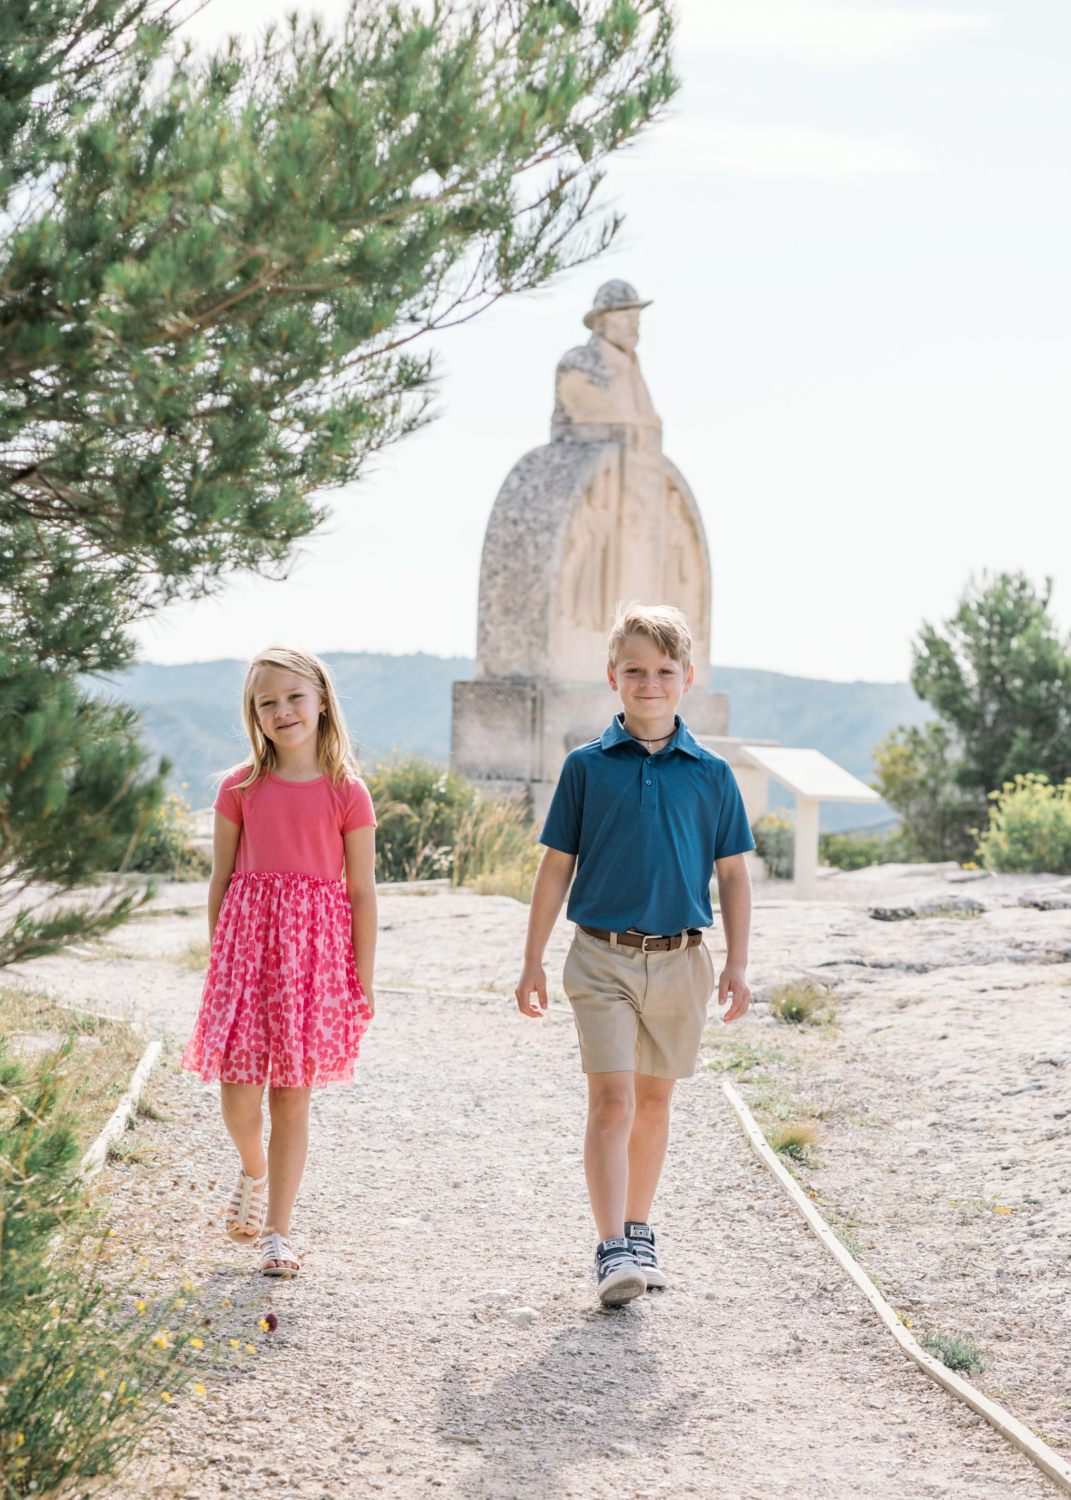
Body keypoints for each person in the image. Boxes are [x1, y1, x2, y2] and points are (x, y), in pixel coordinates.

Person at [515, 603, 754, 1305]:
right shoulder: (586, 768)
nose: (648, 683)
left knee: (654, 1103)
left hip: (682, 960)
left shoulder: (710, 774)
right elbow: (555, 867)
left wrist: (738, 963)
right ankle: (610, 1247)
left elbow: (734, 875)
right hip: (601, 958)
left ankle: (640, 1229)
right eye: (634, 671)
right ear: (612, 676)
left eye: (663, 672)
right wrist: (531, 959)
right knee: (613, 1102)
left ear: (686, 679)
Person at [181, 646, 377, 1277]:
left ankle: (278, 1233)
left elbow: (361, 892)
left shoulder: (349, 791)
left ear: (321, 700)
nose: (283, 710)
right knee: (239, 1093)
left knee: (292, 1098)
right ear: (254, 715)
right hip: (245, 953)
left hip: (313, 960)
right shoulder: (239, 787)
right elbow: (220, 880)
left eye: (295, 696)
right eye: (268, 702)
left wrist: (360, 981)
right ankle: (253, 1168)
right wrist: (219, 964)